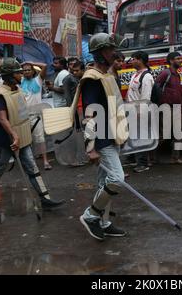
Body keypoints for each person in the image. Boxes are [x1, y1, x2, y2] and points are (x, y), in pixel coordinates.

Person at [0, 57, 64, 215]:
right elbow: (2, 119)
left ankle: (45, 199)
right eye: (18, 72)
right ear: (10, 75)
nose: (21, 75)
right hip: (6, 140)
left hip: (22, 137)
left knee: (32, 168)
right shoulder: (0, 95)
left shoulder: (17, 91)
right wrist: (14, 135)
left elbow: (20, 114)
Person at [79, 33, 129, 241]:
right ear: (100, 53)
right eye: (109, 50)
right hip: (101, 139)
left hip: (113, 135)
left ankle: (104, 222)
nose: (113, 53)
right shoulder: (91, 79)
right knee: (117, 179)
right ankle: (90, 215)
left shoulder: (107, 75)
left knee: (104, 184)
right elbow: (90, 112)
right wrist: (90, 147)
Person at [155, 52, 182, 164]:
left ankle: (175, 158)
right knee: (162, 135)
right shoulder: (165, 73)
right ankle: (148, 157)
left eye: (180, 58)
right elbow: (156, 88)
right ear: (171, 61)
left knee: (179, 134)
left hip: (177, 108)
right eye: (177, 59)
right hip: (166, 108)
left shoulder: (177, 75)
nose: (180, 60)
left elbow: (178, 93)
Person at [20, 62, 52, 170]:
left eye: (29, 69)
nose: (27, 71)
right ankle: (30, 162)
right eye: (24, 70)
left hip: (36, 115)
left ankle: (45, 161)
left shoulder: (38, 80)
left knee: (40, 139)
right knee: (26, 140)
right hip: (24, 115)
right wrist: (21, 65)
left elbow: (45, 66)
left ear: (33, 71)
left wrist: (30, 62)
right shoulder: (20, 81)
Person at [126, 51, 154, 173]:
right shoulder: (135, 75)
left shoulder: (147, 76)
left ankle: (142, 164)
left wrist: (139, 113)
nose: (131, 61)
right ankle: (136, 160)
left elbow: (145, 97)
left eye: (133, 59)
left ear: (140, 60)